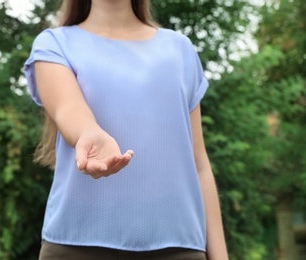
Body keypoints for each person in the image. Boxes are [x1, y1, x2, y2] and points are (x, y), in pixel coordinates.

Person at [24, 0, 229, 259]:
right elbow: (68, 109)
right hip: (77, 246)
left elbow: (199, 164)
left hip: (179, 247)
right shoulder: (55, 43)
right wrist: (88, 133)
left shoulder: (180, 49)